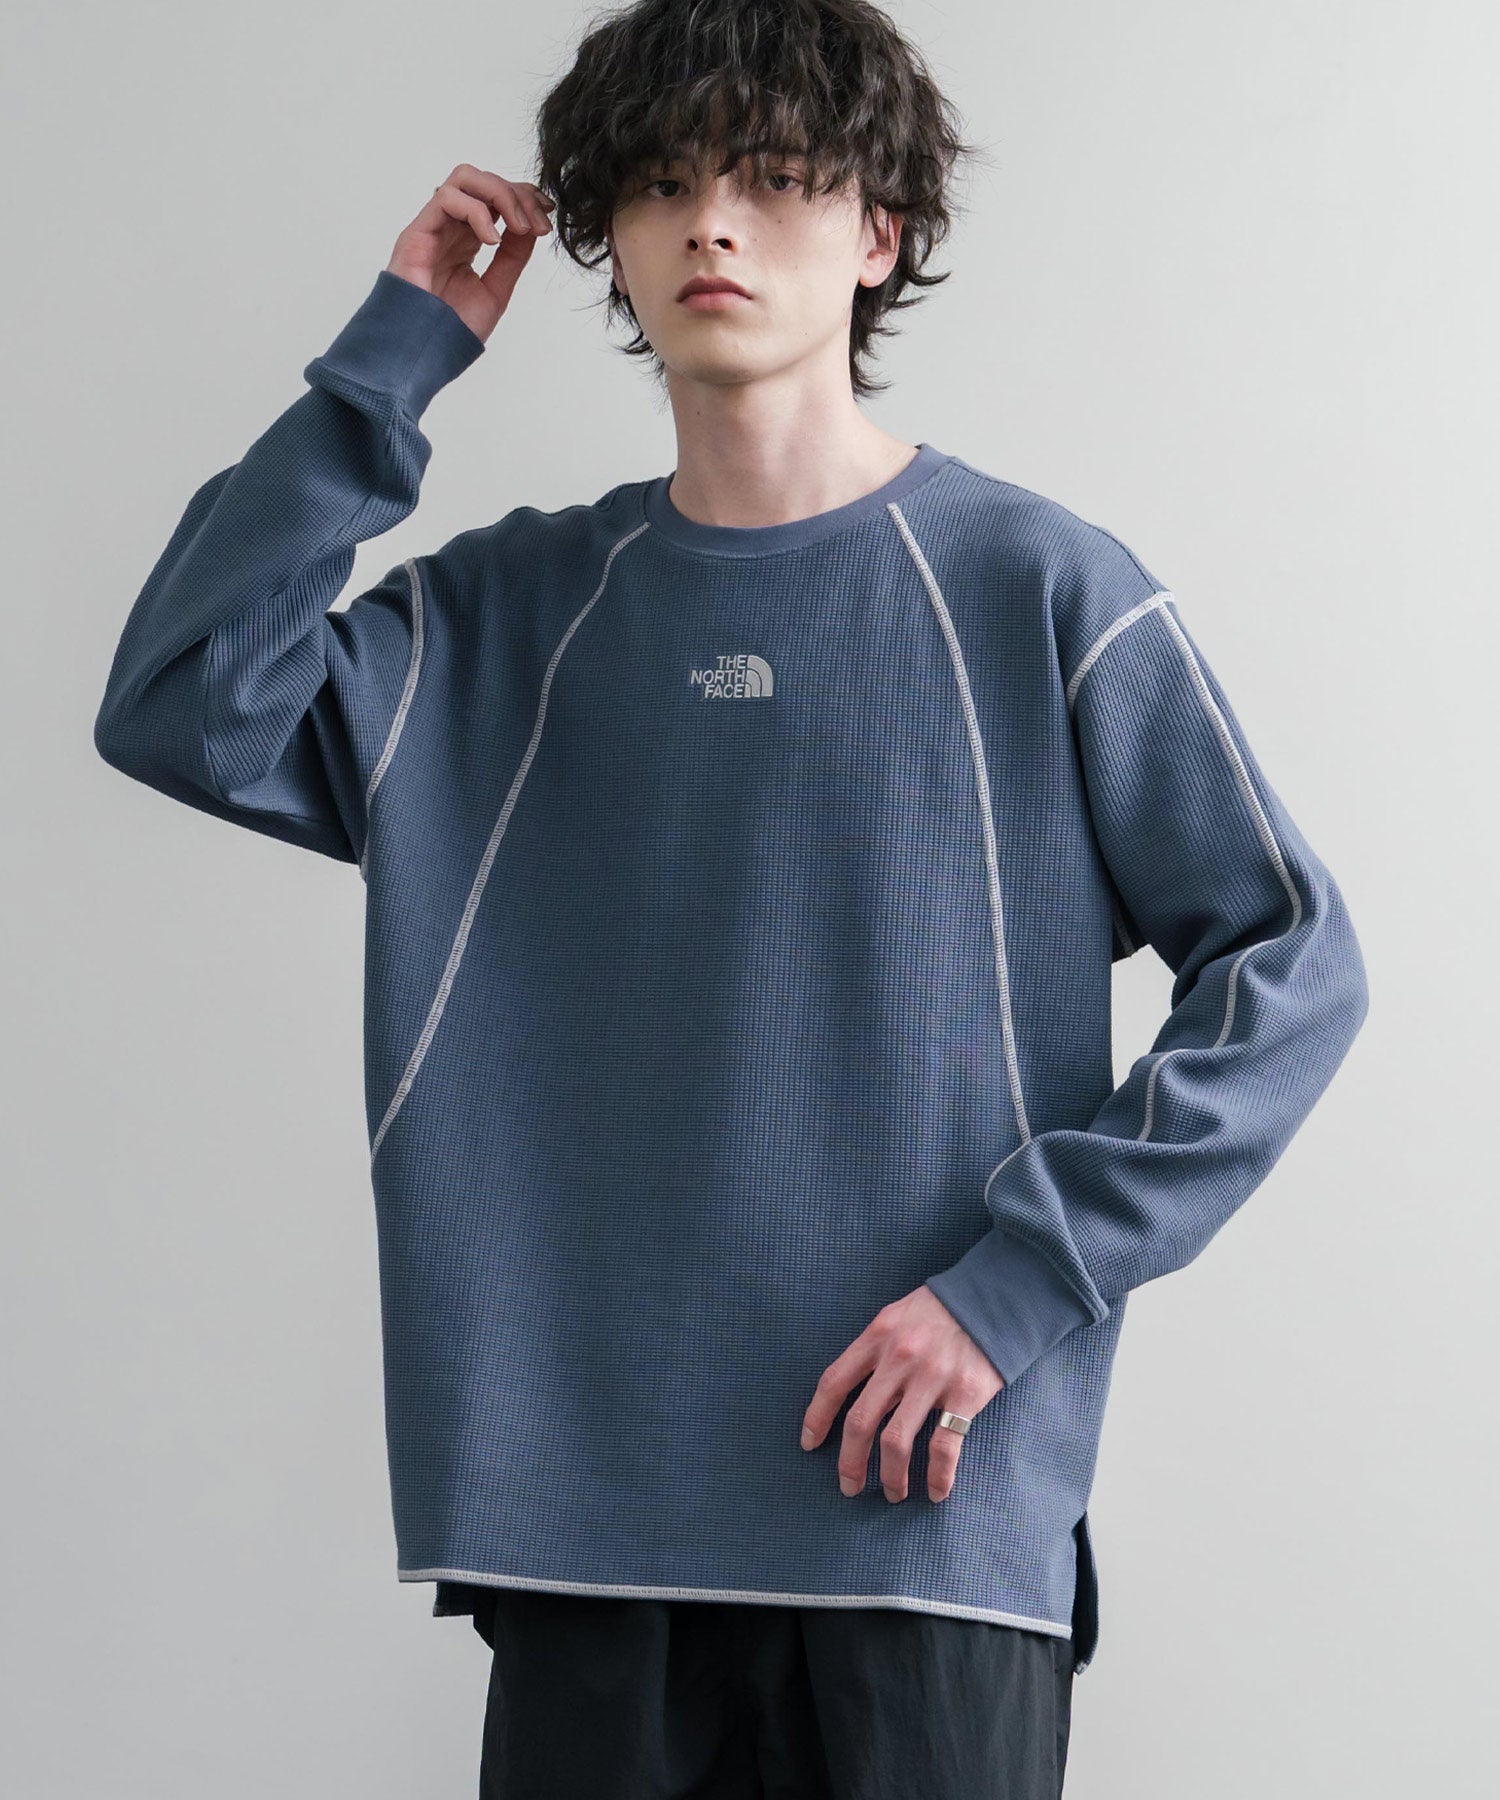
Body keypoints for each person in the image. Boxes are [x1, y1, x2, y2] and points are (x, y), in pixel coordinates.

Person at [92, 1, 1370, 1794]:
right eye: (664, 184)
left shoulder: (1037, 589)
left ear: (879, 233)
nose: (711, 225)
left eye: (774, 180)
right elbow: (182, 703)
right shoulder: (503, 622)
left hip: (927, 1522)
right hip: (586, 1536)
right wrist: (391, 360)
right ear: (606, 236)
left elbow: (1292, 962)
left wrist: (1021, 1283)